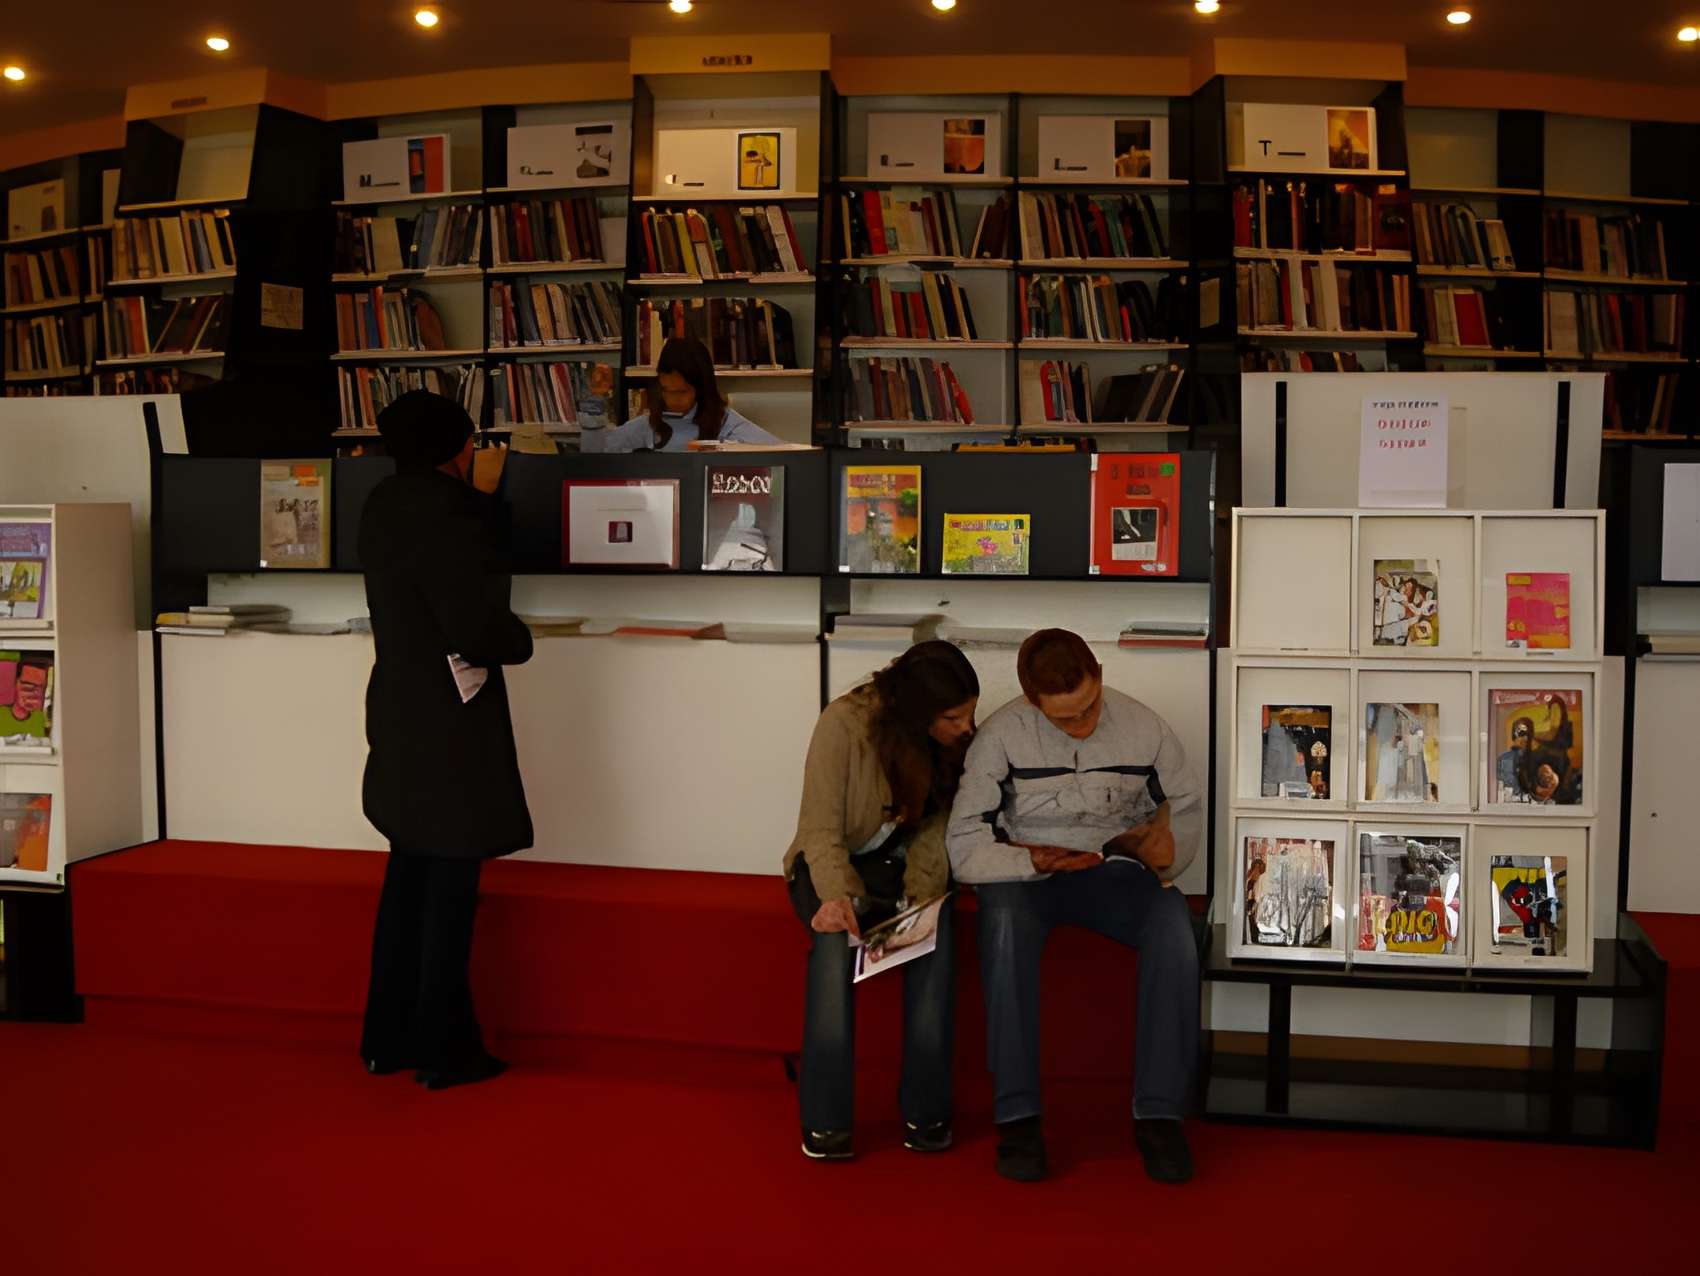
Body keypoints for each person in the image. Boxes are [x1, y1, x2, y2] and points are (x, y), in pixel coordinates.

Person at [947, 629, 1203, 1185]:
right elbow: (964, 846)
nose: (1082, 725)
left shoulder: (1146, 727)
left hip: (1110, 875)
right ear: (1031, 701)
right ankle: (1018, 1119)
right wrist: (1031, 860)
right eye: (1064, 720)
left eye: (1089, 707)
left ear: (1100, 677)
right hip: (1025, 879)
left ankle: (1159, 1115)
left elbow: (1184, 807)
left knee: (1174, 926)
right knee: (1005, 928)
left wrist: (1165, 852)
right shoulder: (1000, 737)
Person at [358, 390, 535, 1090]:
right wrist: (519, 641)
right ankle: (445, 1048)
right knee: (451, 887)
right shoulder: (451, 512)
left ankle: (386, 1038)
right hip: (451, 721)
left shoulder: (383, 503)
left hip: (399, 707)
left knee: (408, 878)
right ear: (458, 449)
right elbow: (476, 621)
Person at [782, 641, 980, 1161]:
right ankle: (826, 1120)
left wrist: (923, 889)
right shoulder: (842, 725)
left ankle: (927, 1110)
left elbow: (939, 824)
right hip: (830, 863)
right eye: (954, 716)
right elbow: (819, 829)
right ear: (917, 712)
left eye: (971, 713)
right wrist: (839, 898)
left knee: (936, 937)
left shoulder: (950, 744)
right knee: (833, 948)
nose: (967, 728)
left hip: (904, 863)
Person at [579, 336, 782, 452]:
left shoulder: (729, 426)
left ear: (701, 388)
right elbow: (595, 456)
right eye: (666, 390)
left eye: (682, 392)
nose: (673, 400)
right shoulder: (648, 426)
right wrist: (595, 402)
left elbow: (784, 454)